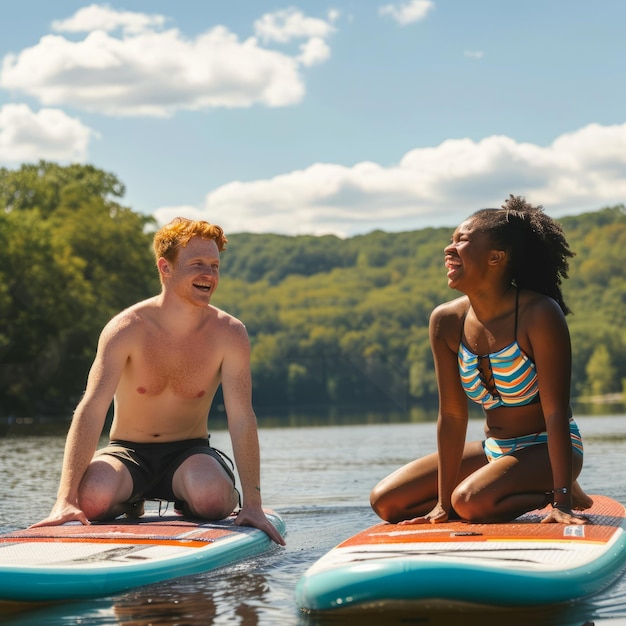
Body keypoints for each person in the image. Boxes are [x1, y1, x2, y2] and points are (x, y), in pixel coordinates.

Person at [32, 217, 285, 545]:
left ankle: (190, 501)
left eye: (214, 265)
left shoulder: (230, 333)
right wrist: (64, 499)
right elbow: (92, 408)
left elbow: (241, 416)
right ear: (166, 268)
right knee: (92, 500)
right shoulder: (126, 328)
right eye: (196, 264)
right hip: (126, 451)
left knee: (211, 500)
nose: (209, 275)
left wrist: (253, 504)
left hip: (189, 452)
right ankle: (129, 501)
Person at [370, 195, 593, 527]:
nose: (449, 249)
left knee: (472, 503)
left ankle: (559, 491)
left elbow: (555, 412)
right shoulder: (446, 321)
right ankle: (478, 493)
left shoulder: (539, 313)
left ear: (496, 257)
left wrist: (561, 502)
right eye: (451, 240)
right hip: (495, 450)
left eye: (462, 240)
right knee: (387, 502)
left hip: (547, 448)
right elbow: (452, 414)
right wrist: (442, 503)